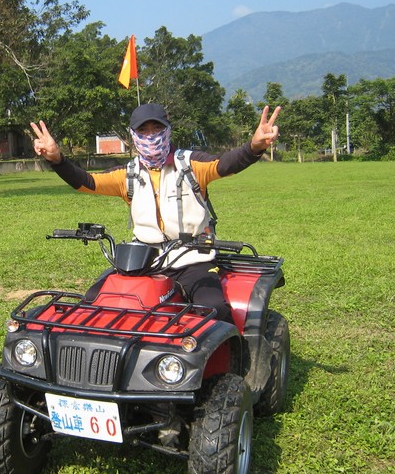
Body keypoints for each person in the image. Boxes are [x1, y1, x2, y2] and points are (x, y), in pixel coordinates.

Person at [29, 102, 279, 324]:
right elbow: (85, 181)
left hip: (193, 259)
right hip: (144, 260)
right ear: (133, 136)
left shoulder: (192, 165)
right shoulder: (126, 175)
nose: (150, 137)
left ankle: (237, 364)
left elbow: (226, 164)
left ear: (168, 131)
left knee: (213, 309)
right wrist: (57, 159)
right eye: (143, 131)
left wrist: (254, 146)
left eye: (156, 129)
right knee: (94, 302)